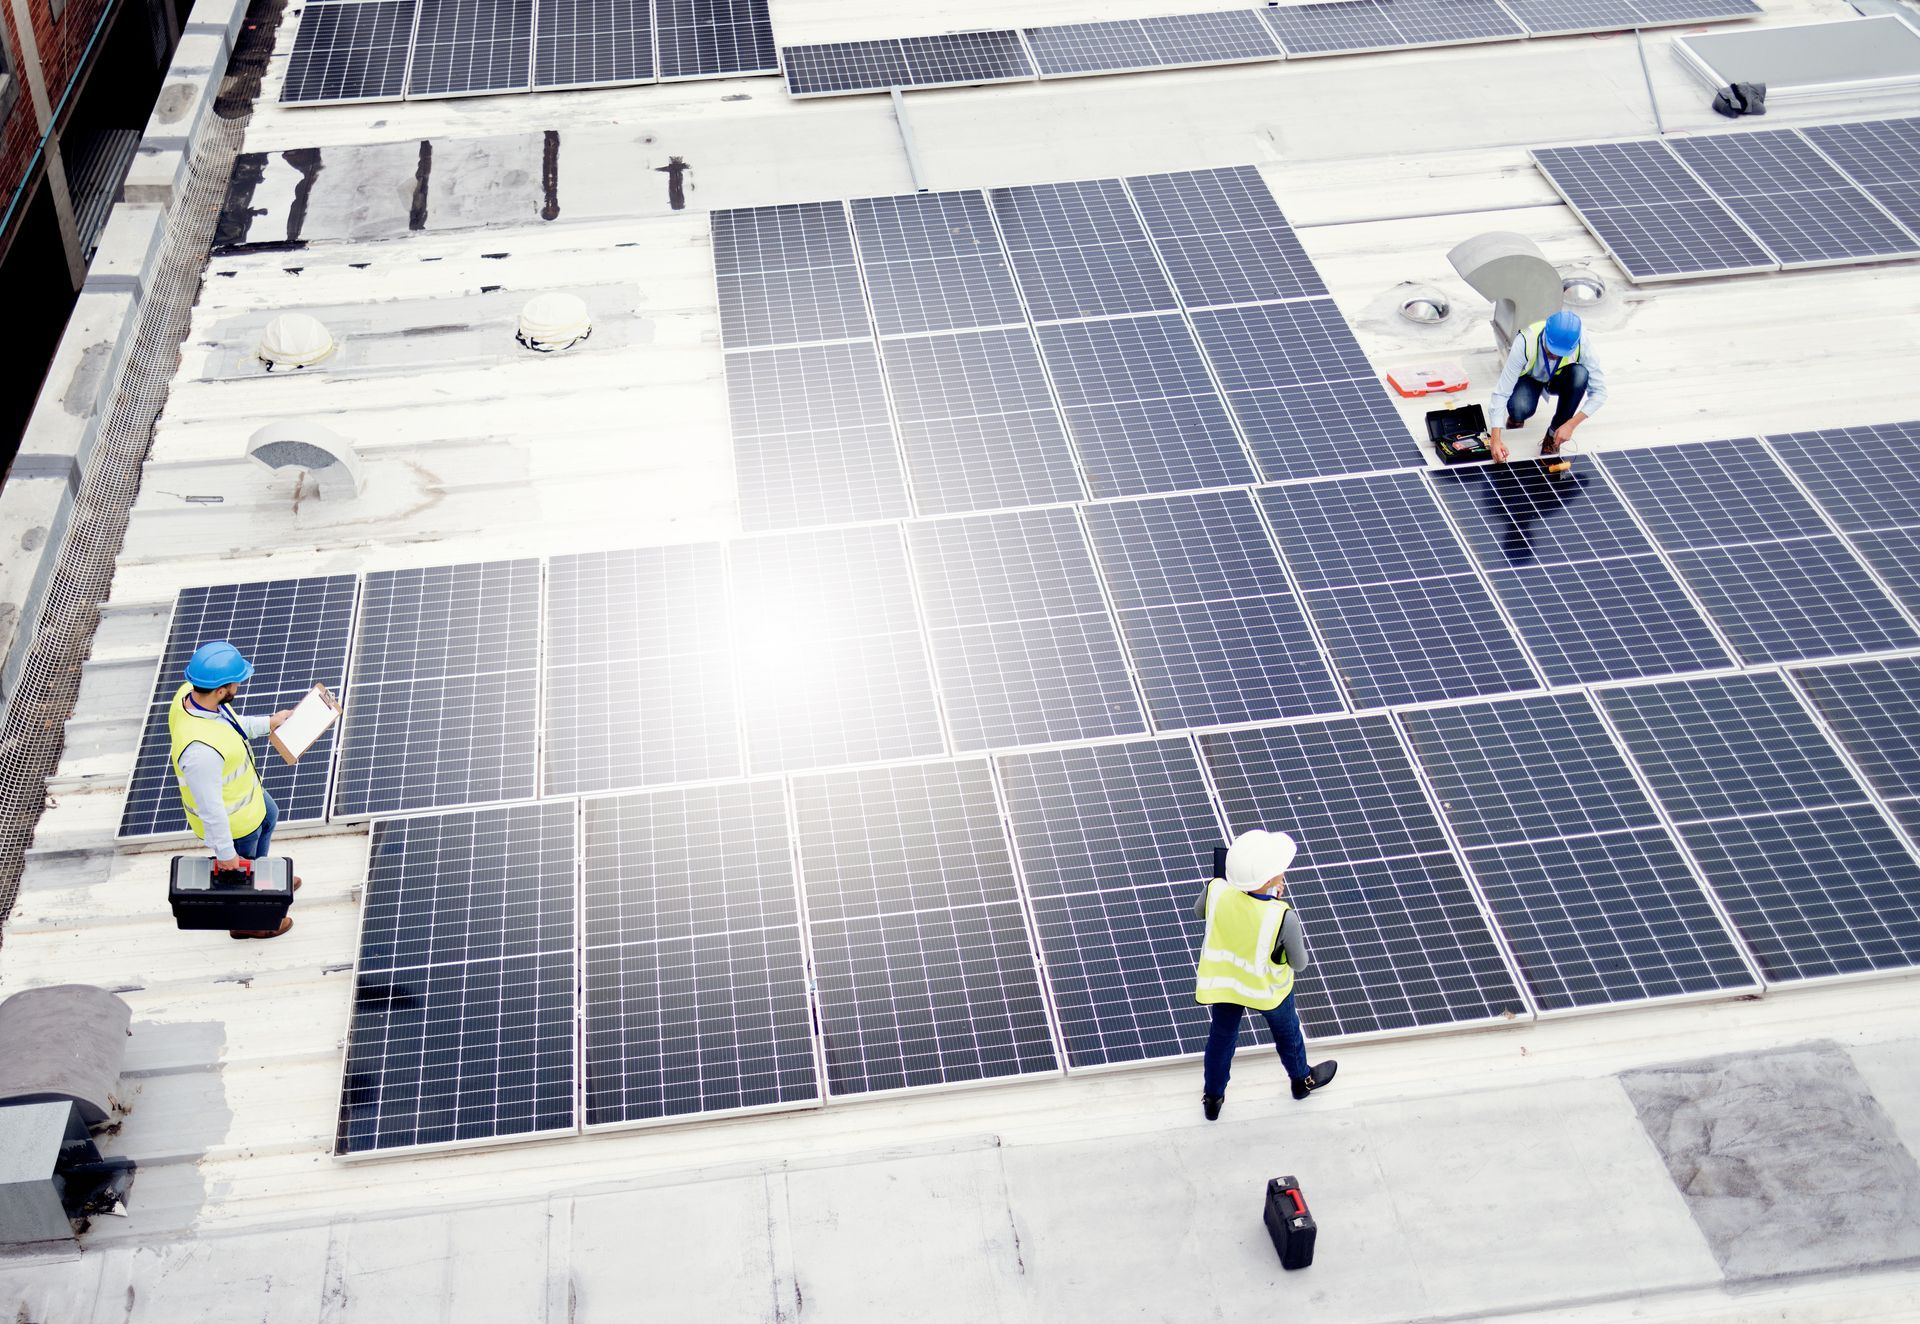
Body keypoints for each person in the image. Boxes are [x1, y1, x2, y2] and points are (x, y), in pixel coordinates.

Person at [1194, 829, 1337, 1120]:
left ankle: (1213, 1099)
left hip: (1226, 984)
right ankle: (1301, 1082)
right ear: (1269, 880)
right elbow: (1300, 964)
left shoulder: (1216, 890)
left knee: (1221, 1039)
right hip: (1267, 991)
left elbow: (1200, 912)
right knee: (1288, 1035)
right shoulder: (1282, 916)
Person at [168, 641, 299, 939]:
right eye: (235, 682)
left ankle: (268, 878)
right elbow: (210, 809)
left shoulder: (192, 697)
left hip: (250, 803)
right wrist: (226, 854)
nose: (239, 685)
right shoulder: (200, 752)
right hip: (235, 824)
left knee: (270, 817)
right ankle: (249, 922)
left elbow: (232, 726)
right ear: (219, 691)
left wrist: (270, 723)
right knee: (241, 872)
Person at [1487, 310, 1607, 467]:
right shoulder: (1525, 340)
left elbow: (1599, 393)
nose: (1555, 356)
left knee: (1580, 374)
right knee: (1520, 408)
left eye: (1561, 354)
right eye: (1552, 351)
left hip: (1560, 378)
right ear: (1545, 336)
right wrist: (1495, 440)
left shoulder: (1580, 342)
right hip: (1531, 378)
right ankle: (1516, 418)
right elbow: (1501, 392)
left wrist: (1570, 424)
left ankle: (1552, 436)